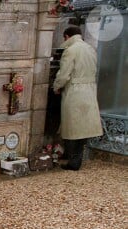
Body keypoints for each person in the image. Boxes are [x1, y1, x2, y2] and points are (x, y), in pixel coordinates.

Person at [53, 26, 103, 171]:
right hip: (89, 91)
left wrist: (56, 86)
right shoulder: (90, 48)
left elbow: (64, 74)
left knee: (72, 127)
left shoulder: (71, 50)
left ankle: (73, 162)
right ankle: (75, 157)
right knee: (83, 128)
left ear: (67, 36)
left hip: (74, 91)